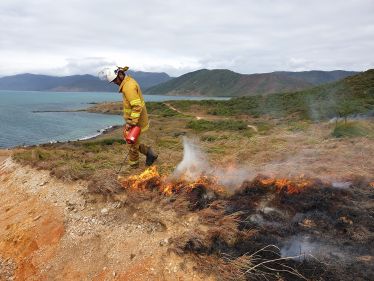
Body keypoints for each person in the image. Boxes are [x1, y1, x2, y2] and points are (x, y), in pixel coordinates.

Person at [99, 66, 158, 168]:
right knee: (133, 142)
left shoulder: (128, 87)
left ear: (120, 75)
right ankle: (150, 153)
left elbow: (136, 106)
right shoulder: (128, 82)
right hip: (136, 119)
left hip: (136, 121)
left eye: (115, 80)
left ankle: (134, 168)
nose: (115, 83)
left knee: (132, 145)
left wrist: (131, 122)